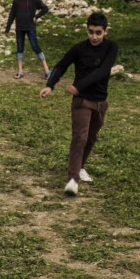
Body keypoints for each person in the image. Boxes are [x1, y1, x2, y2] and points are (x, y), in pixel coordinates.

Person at [40, 12, 118, 197]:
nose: (94, 36)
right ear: (87, 30)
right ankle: (72, 179)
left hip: (100, 102)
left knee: (91, 138)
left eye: (98, 33)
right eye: (91, 32)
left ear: (105, 32)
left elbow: (103, 71)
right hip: (82, 101)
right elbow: (61, 65)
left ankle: (81, 167)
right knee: (79, 138)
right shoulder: (79, 48)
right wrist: (50, 85)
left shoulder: (111, 48)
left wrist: (77, 85)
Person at [4, 0, 51, 79]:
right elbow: (12, 15)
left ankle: (47, 70)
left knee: (35, 46)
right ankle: (20, 71)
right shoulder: (16, 0)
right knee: (20, 48)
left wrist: (36, 17)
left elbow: (45, 8)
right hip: (19, 28)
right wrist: (7, 28)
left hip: (30, 27)